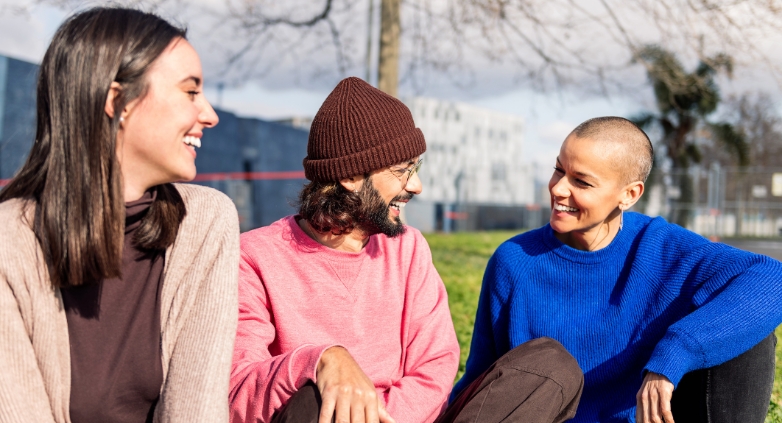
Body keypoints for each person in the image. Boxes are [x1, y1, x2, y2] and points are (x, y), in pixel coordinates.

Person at [230, 77, 584, 423]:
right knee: (314, 398)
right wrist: (321, 361)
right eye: (401, 170)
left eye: (415, 168)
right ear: (351, 176)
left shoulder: (408, 247)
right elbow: (236, 394)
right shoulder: (254, 256)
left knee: (550, 365)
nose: (416, 185)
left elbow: (436, 365)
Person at [452, 116, 782, 423]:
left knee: (747, 333)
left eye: (581, 182)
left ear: (629, 194)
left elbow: (772, 279)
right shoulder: (515, 260)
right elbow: (484, 378)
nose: (558, 189)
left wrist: (672, 356)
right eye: (558, 170)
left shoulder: (660, 247)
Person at [0, 8, 239, 423]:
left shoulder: (205, 224)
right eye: (190, 92)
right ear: (118, 101)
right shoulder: (9, 244)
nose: (209, 115)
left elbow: (195, 411)